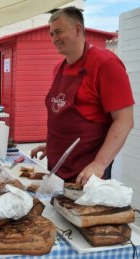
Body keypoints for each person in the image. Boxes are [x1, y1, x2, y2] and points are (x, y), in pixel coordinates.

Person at [30, 7, 134, 185]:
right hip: (57, 166)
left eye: (59, 32)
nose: (54, 39)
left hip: (87, 174)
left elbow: (124, 121)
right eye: (52, 34)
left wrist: (99, 164)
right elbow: (63, 115)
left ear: (78, 29)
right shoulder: (59, 69)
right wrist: (53, 146)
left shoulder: (106, 64)